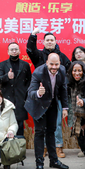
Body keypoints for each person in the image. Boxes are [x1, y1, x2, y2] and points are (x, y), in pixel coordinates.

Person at [27, 28, 71, 158]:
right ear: (44, 42)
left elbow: (68, 71)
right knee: (42, 127)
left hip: (55, 96)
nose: (50, 42)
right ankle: (45, 147)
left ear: (56, 41)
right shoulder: (39, 55)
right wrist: (33, 36)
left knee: (56, 124)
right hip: (41, 97)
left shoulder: (61, 56)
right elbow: (30, 50)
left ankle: (58, 147)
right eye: (47, 40)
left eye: (52, 40)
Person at [24, 53, 70, 169]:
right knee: (40, 133)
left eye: (56, 64)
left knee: (51, 131)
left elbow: (63, 89)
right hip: (38, 104)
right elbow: (30, 92)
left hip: (52, 104)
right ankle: (39, 164)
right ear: (46, 63)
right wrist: (39, 93)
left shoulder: (62, 70)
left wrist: (65, 107)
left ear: (60, 63)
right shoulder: (38, 73)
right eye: (51, 64)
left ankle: (54, 160)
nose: (54, 67)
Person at [0, 42, 31, 136]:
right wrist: (7, 76)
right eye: (12, 49)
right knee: (6, 124)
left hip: (21, 99)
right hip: (7, 99)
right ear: (8, 52)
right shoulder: (2, 65)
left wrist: (25, 94)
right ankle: (8, 148)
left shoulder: (25, 65)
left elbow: (29, 82)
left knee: (19, 125)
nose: (14, 51)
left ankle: (19, 148)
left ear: (19, 51)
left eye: (16, 49)